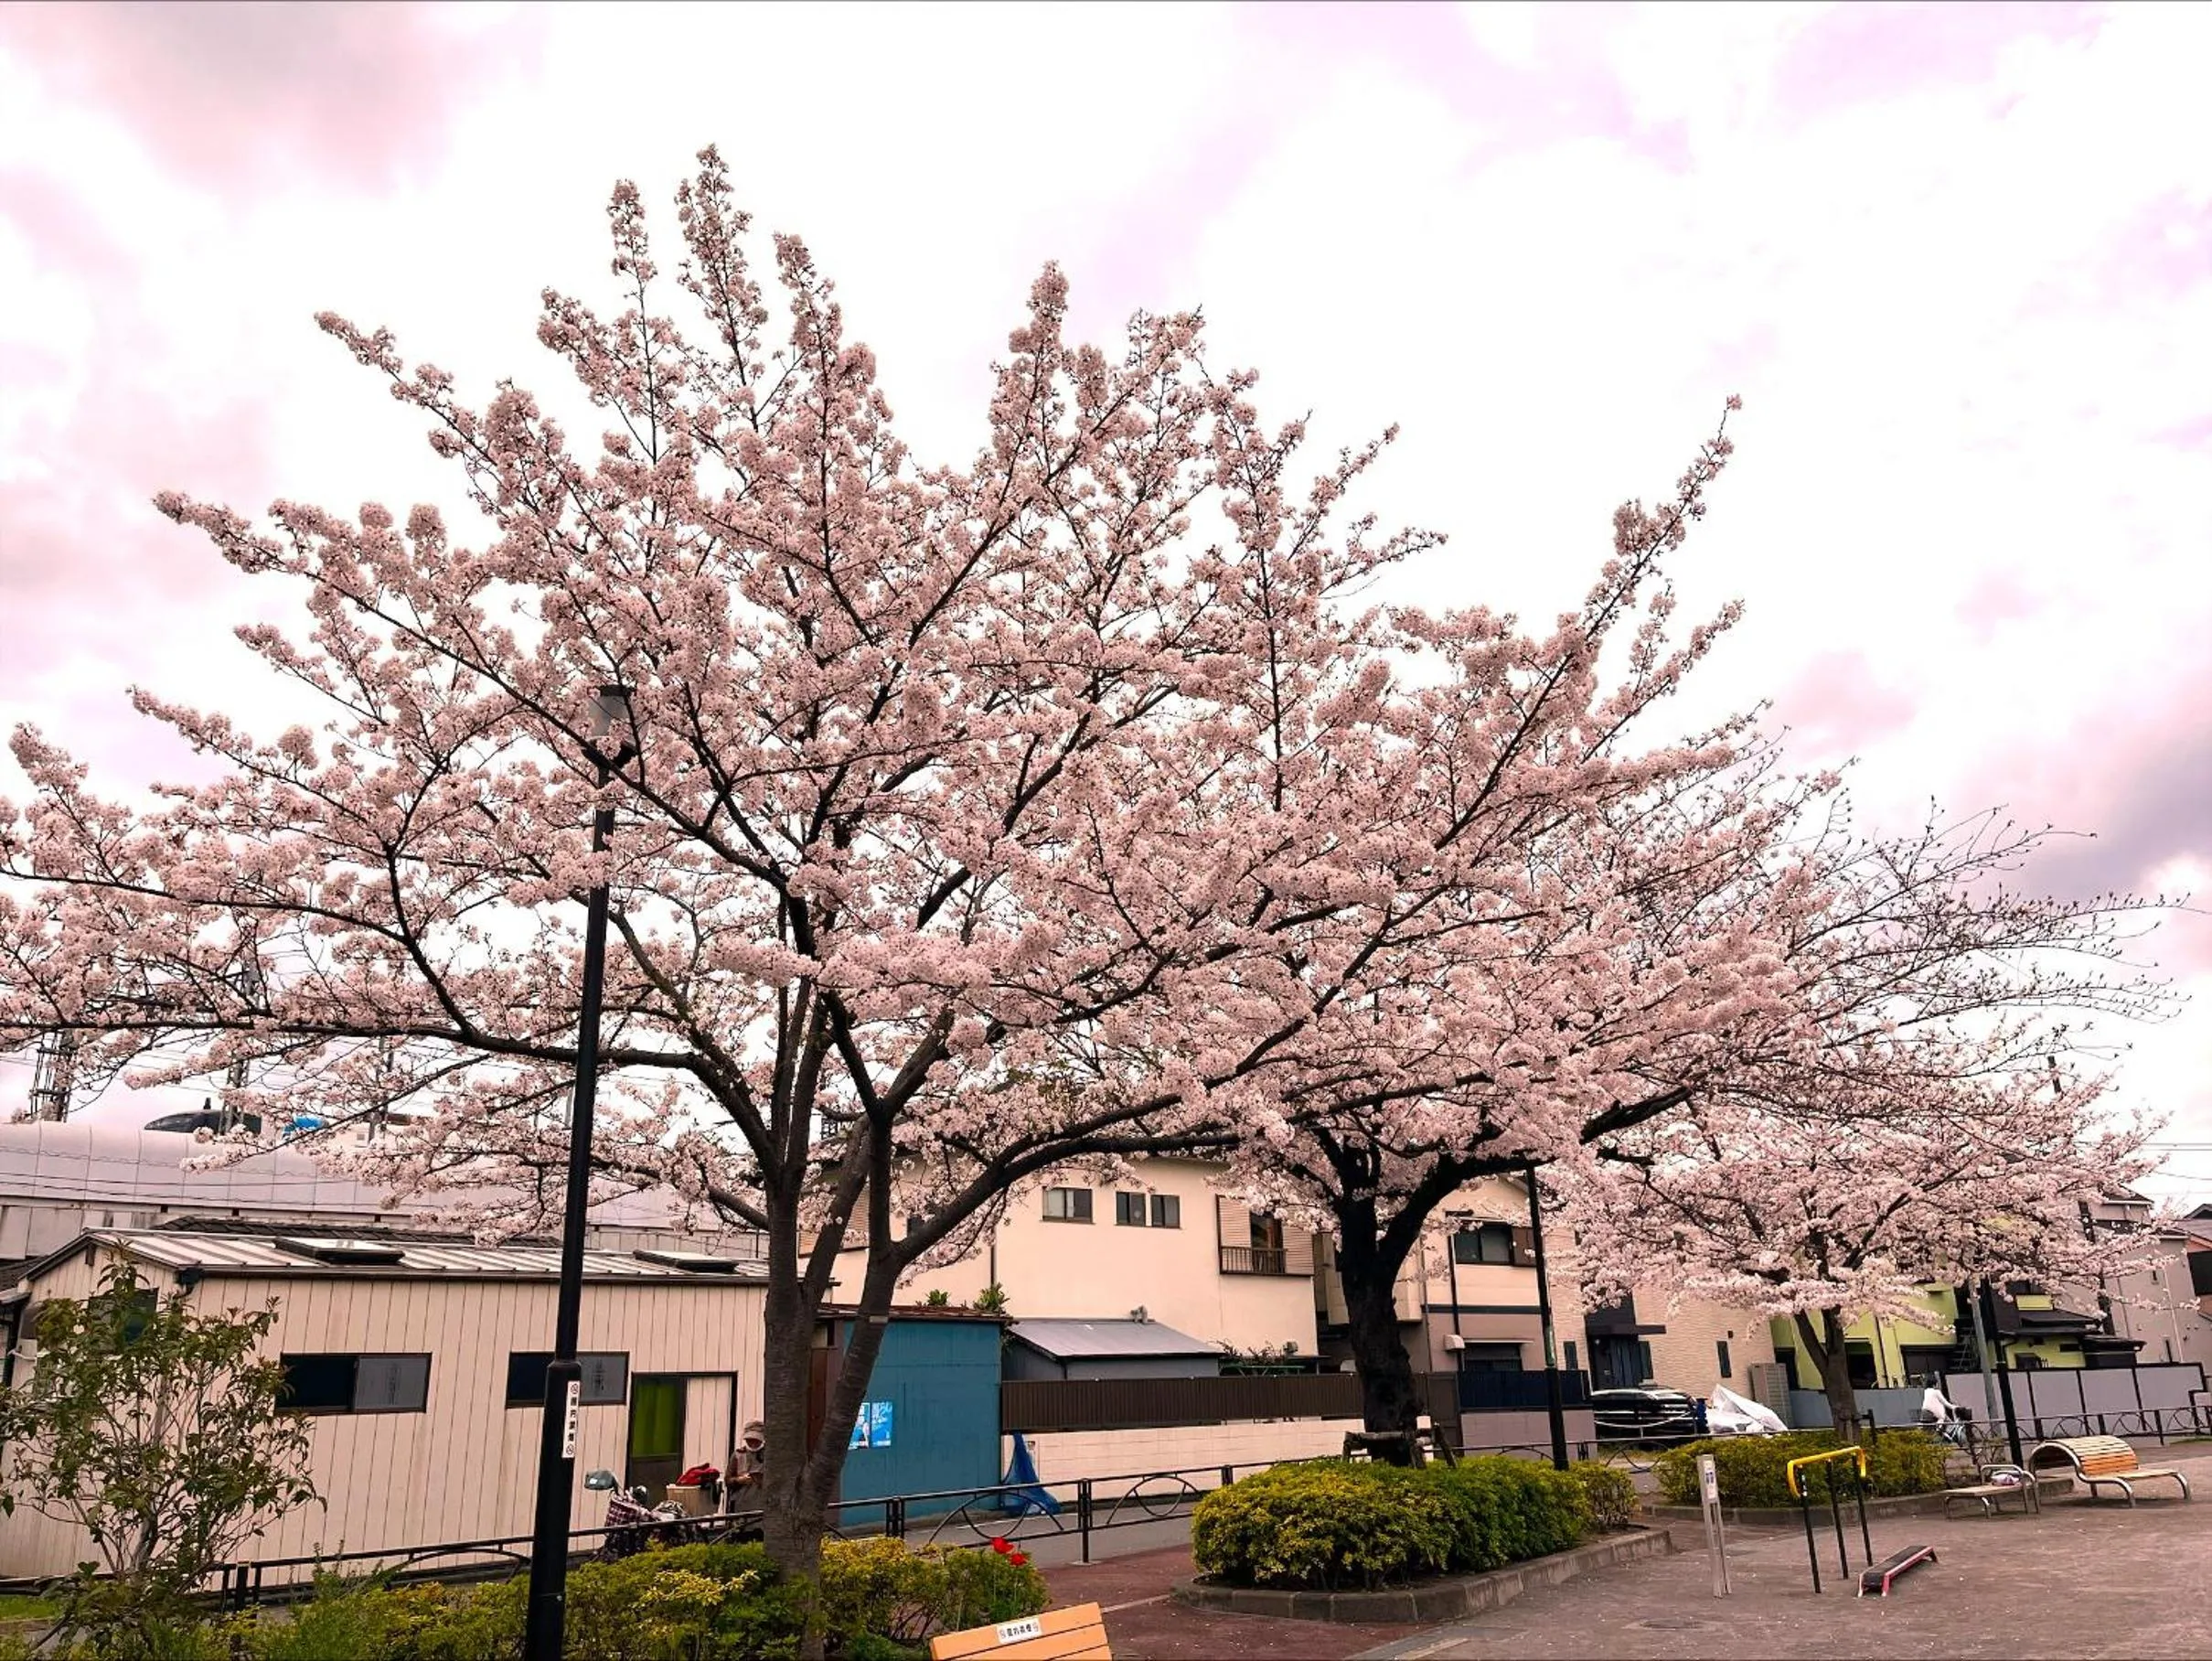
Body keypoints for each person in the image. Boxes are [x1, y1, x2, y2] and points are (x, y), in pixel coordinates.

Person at [724, 1421, 766, 1512]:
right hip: (741, 1504)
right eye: (749, 1440)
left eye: (756, 1440)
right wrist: (739, 1480)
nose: (753, 1443)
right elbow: (727, 1480)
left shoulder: (769, 1455)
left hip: (763, 1505)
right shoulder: (738, 1454)